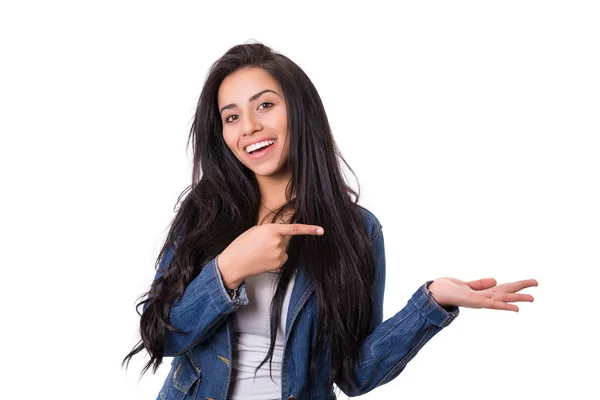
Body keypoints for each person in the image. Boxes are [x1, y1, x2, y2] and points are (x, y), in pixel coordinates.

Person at [122, 41, 538, 400]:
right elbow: (162, 336)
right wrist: (229, 269)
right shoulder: (203, 213)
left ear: (299, 111)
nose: (249, 127)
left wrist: (431, 302)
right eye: (231, 117)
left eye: (265, 105)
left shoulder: (358, 230)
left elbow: (354, 374)